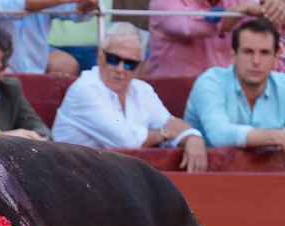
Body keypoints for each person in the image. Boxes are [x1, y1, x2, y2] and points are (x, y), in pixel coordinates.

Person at [52, 22, 207, 172]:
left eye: (129, 64)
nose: (120, 69)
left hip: (110, 176)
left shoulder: (142, 89)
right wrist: (165, 134)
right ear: (100, 56)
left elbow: (170, 122)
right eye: (113, 59)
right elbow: (127, 142)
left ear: (140, 67)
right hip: (71, 175)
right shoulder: (85, 89)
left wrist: (192, 137)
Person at [185, 18, 285, 148]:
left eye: (264, 53)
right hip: (211, 167)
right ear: (233, 55)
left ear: (276, 57)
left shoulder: (282, 85)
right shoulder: (211, 82)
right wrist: (277, 137)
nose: (256, 61)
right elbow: (219, 135)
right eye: (248, 52)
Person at [147, 0, 264, 77]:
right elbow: (188, 26)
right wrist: (230, 15)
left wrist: (276, 6)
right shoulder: (163, 2)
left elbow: (267, 24)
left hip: (227, 94)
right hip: (176, 98)